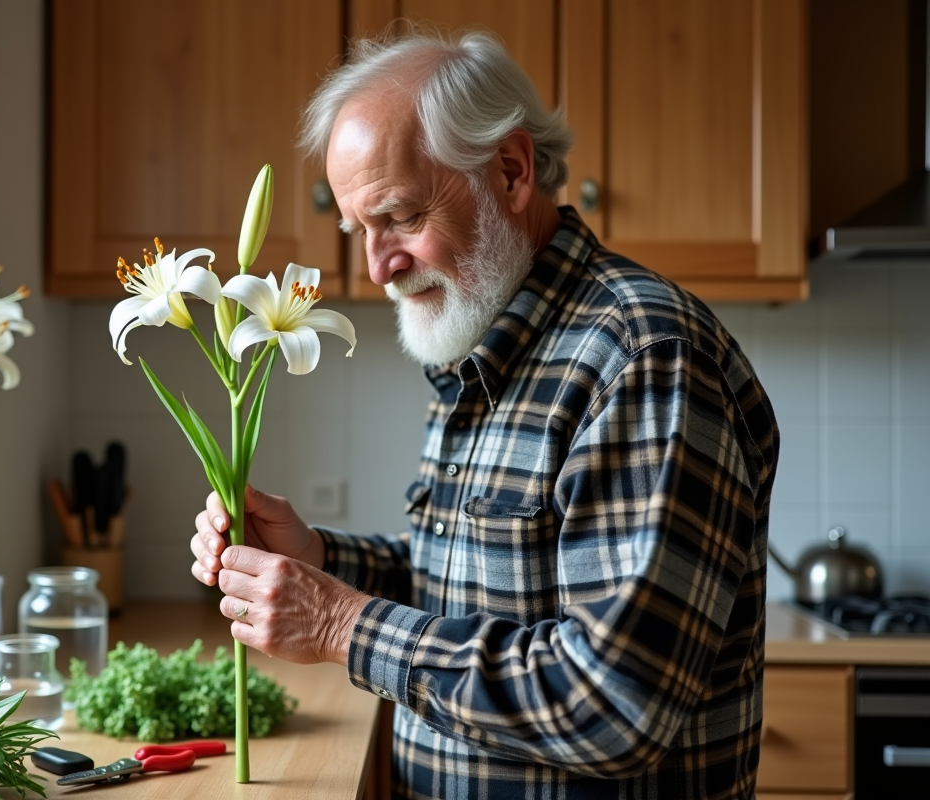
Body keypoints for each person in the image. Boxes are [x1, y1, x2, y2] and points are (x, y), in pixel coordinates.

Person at [190, 30, 778, 800]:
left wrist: (339, 625)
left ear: (509, 171)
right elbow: (477, 590)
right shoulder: (492, 344)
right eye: (358, 230)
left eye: (397, 216)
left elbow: (612, 707)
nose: (377, 266)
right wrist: (320, 563)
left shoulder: (643, 359)